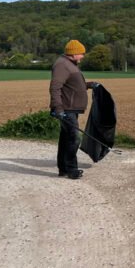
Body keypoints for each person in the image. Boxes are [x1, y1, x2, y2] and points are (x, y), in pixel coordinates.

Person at [49, 40, 99, 179]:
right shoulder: (62, 65)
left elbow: (72, 85)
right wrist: (58, 108)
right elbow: (55, 88)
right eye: (81, 53)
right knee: (73, 138)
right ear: (74, 53)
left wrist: (89, 85)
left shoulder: (69, 65)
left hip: (71, 108)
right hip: (66, 109)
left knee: (66, 138)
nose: (83, 56)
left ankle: (64, 169)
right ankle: (71, 169)